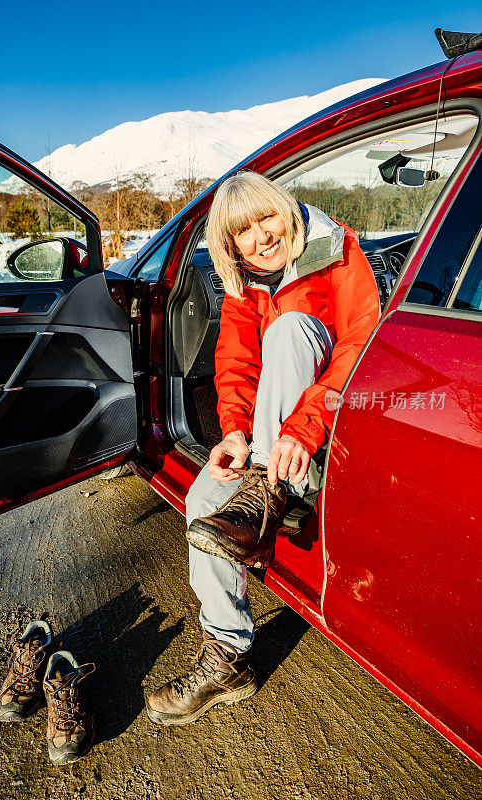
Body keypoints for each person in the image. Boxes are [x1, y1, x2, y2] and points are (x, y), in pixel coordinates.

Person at [146, 171, 380, 726]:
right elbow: (236, 364)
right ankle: (228, 653)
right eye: (243, 233)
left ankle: (278, 492)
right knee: (203, 500)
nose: (262, 238)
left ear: (287, 211)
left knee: (291, 330)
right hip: (270, 440)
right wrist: (231, 432)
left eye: (267, 218)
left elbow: (361, 340)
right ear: (230, 247)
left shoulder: (337, 248)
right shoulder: (244, 285)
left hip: (326, 425)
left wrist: (304, 427)